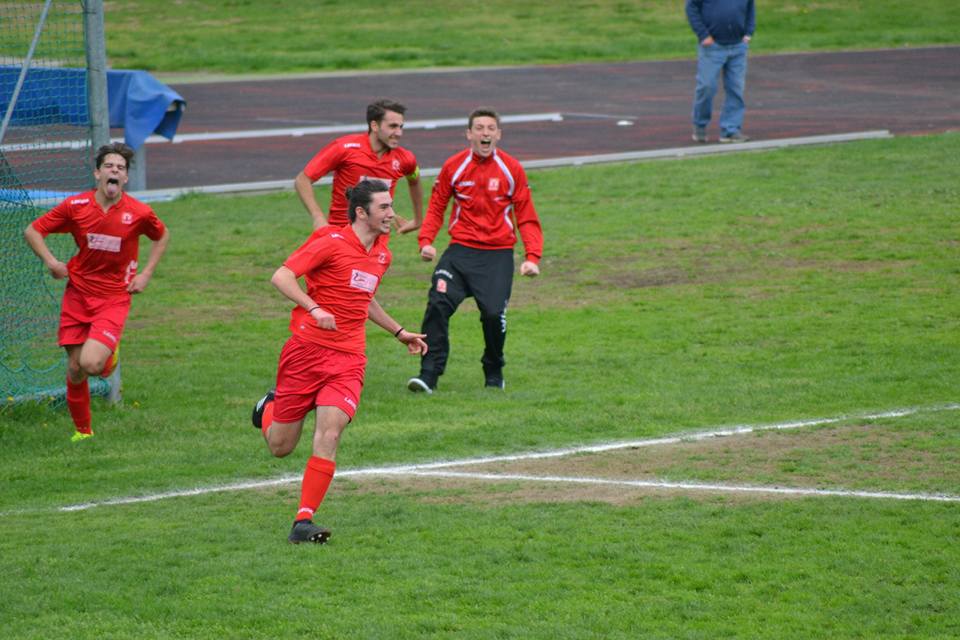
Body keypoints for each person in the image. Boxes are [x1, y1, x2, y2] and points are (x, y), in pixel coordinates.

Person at [251, 179, 427, 544]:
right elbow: (281, 276)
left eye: (392, 206)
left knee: (330, 432)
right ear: (362, 212)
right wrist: (313, 307)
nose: (392, 214)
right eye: (384, 208)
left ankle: (303, 521)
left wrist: (399, 332)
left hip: (349, 358)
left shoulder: (383, 254)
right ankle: (266, 409)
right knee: (280, 447)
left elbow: (365, 298)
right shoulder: (329, 243)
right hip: (305, 353)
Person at [23, 142, 170, 441]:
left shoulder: (139, 213)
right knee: (76, 367)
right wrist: (51, 262)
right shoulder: (75, 207)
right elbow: (32, 230)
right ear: (97, 173)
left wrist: (146, 274)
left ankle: (109, 357)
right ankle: (84, 432)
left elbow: (162, 234)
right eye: (109, 166)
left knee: (92, 363)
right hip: (77, 293)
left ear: (125, 178)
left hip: (114, 298)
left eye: (120, 168)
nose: (114, 171)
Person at [406, 107, 543, 394]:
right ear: (469, 134)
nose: (485, 133)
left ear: (498, 134)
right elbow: (437, 205)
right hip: (460, 253)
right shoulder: (454, 166)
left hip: (498, 256)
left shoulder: (511, 169)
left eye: (490, 128)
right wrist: (426, 241)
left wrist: (532, 257)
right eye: (479, 128)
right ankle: (428, 374)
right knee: (438, 304)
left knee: (494, 315)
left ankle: (493, 370)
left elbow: (527, 216)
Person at [294, 99, 424, 233]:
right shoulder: (344, 148)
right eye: (393, 126)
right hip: (340, 235)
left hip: (376, 242)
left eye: (400, 127)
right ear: (374, 126)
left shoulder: (405, 159)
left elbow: (414, 180)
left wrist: (418, 220)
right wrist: (318, 218)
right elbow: (303, 180)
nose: (399, 133)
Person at [686, 0, 755, 144]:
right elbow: (691, 8)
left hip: (738, 46)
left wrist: (748, 32)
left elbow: (750, 8)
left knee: (736, 89)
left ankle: (730, 131)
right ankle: (700, 125)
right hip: (712, 46)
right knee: (706, 86)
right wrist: (703, 34)